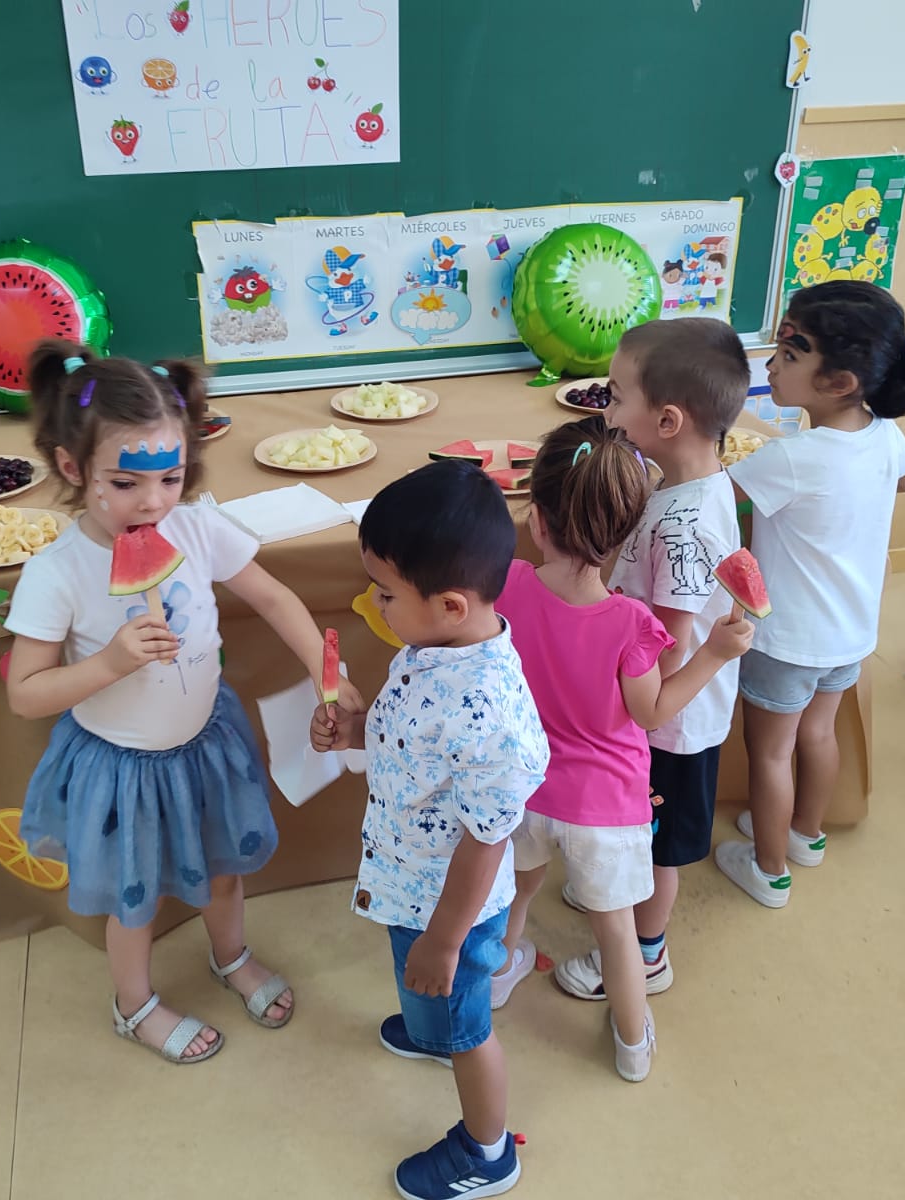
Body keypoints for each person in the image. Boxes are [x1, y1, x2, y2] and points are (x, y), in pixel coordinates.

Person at [3, 340, 360, 1065]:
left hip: (206, 746)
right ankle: (132, 1005)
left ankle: (230, 957)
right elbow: (25, 694)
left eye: (170, 477)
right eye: (126, 483)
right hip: (123, 767)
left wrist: (328, 672)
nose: (153, 502)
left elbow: (273, 597)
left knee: (225, 872)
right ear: (72, 469)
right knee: (133, 902)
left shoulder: (194, 526)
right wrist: (108, 663)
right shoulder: (56, 572)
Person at [310, 460, 548, 1200]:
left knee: (469, 1030)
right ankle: (428, 1025)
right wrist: (355, 732)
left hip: (450, 910)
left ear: (449, 604)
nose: (372, 603)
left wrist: (445, 942)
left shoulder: (489, 715)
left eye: (385, 593)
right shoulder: (437, 647)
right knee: (431, 995)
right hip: (410, 881)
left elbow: (487, 839)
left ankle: (486, 1152)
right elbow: (415, 743)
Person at [490, 416, 753, 1081]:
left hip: (524, 789)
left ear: (537, 522)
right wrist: (715, 654)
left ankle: (495, 975)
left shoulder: (510, 585)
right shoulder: (632, 624)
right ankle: (633, 1046)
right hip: (605, 808)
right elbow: (653, 710)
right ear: (627, 529)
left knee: (517, 892)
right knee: (614, 930)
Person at [554, 316, 753, 1001]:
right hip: (659, 711)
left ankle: (646, 953)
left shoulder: (684, 525)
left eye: (615, 397)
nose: (606, 410)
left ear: (667, 420)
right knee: (636, 827)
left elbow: (663, 646)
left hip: (671, 723)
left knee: (656, 845)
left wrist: (629, 708)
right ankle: (618, 894)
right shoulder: (682, 484)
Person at [718, 280, 905, 908]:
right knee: (818, 734)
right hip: (850, 631)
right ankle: (805, 835)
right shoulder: (882, 434)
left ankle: (769, 870)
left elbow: (714, 499)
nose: (771, 365)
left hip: (786, 639)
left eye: (789, 353)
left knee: (770, 753)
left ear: (838, 382)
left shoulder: (793, 458)